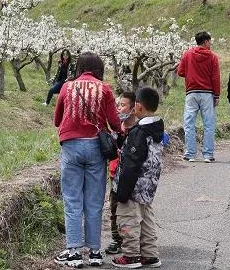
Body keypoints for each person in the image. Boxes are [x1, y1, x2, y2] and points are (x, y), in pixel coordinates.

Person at [54, 52, 122, 268]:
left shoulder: (67, 87)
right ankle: (94, 252)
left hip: (72, 146)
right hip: (96, 148)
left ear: (79, 67)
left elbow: (57, 119)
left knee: (72, 199)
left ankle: (74, 252)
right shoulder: (105, 88)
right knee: (94, 201)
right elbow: (114, 122)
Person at [111, 87, 164, 269]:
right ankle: (150, 255)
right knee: (147, 218)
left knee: (128, 219)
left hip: (133, 186)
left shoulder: (139, 133)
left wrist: (122, 192)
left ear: (138, 107)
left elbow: (131, 164)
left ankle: (131, 255)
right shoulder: (157, 128)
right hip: (148, 185)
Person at [177, 31, 221, 163]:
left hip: (191, 93)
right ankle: (208, 154)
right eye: (210, 42)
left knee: (189, 123)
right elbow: (215, 77)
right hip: (207, 93)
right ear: (206, 41)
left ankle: (190, 154)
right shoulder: (212, 57)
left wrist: (191, 74)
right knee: (208, 124)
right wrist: (217, 94)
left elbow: (180, 71)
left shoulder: (187, 54)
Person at [106, 91, 139, 257]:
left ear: (133, 109)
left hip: (132, 177)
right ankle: (116, 239)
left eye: (123, 105)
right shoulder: (115, 128)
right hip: (115, 173)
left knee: (133, 210)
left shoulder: (139, 130)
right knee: (114, 208)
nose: (119, 109)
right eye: (118, 105)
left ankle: (133, 240)